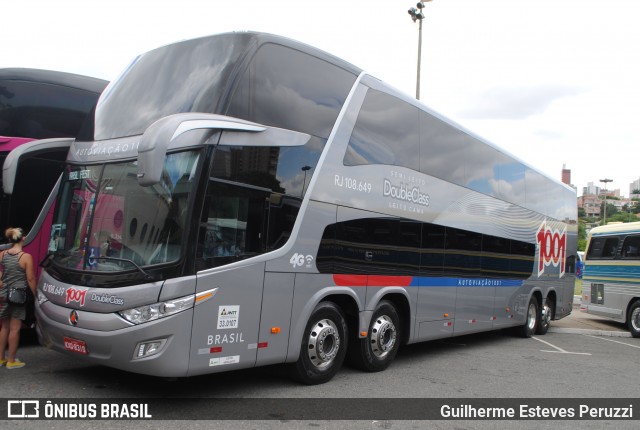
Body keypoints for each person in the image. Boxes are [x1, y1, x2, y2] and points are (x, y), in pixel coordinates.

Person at [0, 227, 37, 369]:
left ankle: (1, 358)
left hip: (3, 294)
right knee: (15, 328)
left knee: (4, 327)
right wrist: (35, 295)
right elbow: (30, 278)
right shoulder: (25, 257)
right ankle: (11, 360)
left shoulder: (2, 254)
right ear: (23, 238)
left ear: (10, 239)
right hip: (17, 295)